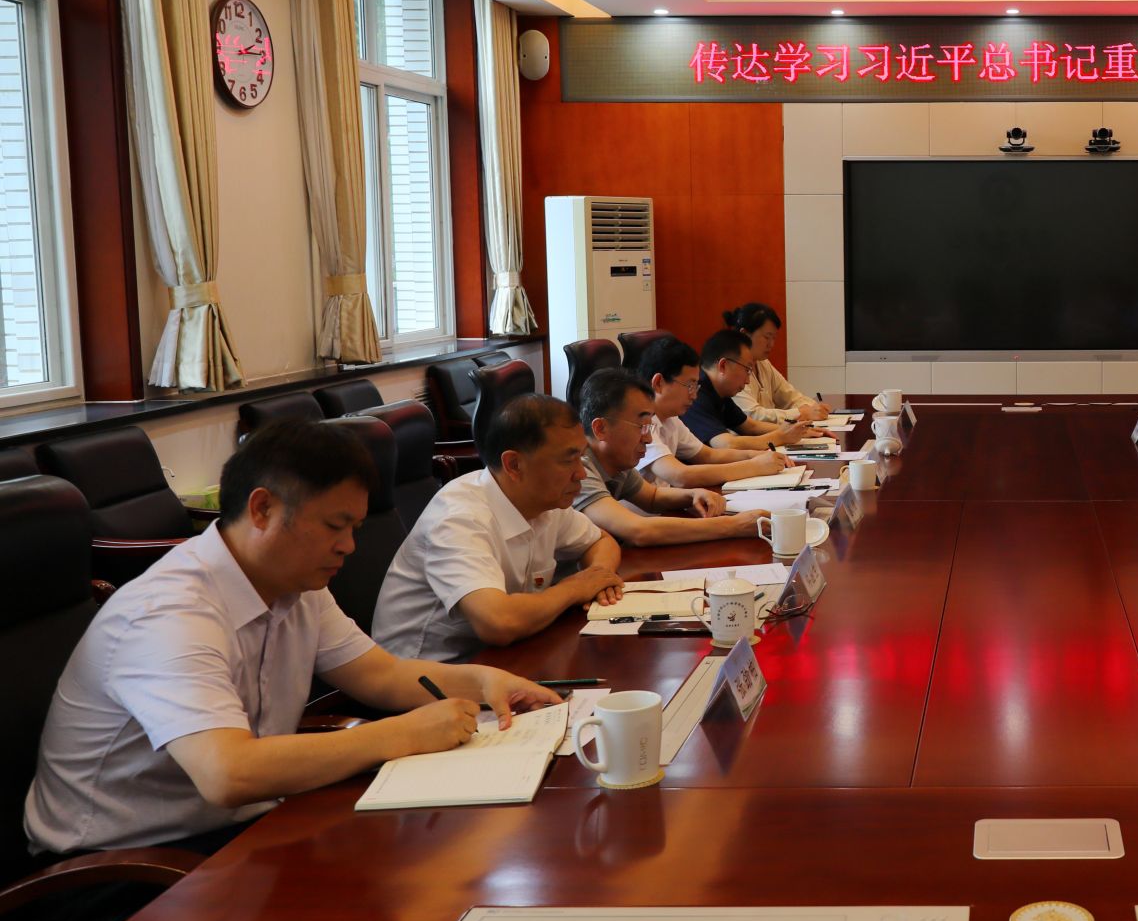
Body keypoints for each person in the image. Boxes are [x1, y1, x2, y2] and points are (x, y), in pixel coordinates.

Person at [27, 421, 561, 858]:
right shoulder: (169, 613)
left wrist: (484, 682)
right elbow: (226, 773)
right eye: (334, 526)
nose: (349, 546)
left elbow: (381, 675)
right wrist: (401, 734)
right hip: (124, 869)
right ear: (262, 509)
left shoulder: (295, 585)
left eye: (354, 528)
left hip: (243, 828)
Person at [373, 394, 625, 663]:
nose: (581, 473)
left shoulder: (544, 502)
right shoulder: (459, 518)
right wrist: (576, 588)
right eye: (568, 460)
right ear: (514, 465)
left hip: (500, 655)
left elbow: (601, 541)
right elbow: (498, 623)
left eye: (581, 457)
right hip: (427, 670)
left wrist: (599, 579)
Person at [575, 367, 772, 548]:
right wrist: (734, 525)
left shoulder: (617, 461)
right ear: (601, 428)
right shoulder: (578, 469)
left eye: (649, 426)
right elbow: (638, 531)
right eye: (641, 426)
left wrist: (692, 495)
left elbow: (651, 497)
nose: (648, 438)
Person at [634, 336, 795, 488]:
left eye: (696, 386)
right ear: (659, 383)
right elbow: (680, 476)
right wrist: (754, 466)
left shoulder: (671, 419)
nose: (694, 395)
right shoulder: (640, 422)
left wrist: (755, 456)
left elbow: (708, 455)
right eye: (689, 386)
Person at [684, 329, 826, 452]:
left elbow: (749, 426)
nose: (747, 380)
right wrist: (780, 436)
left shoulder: (720, 391)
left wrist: (797, 430)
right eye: (747, 370)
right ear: (723, 366)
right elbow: (727, 444)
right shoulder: (696, 392)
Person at [724, 303, 829, 424]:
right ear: (744, 334)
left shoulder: (763, 363)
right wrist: (800, 413)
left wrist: (812, 407)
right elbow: (752, 415)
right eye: (767, 337)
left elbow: (790, 397)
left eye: (774, 338)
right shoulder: (733, 368)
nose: (771, 344)